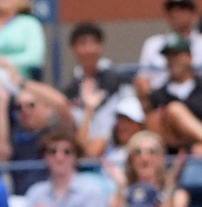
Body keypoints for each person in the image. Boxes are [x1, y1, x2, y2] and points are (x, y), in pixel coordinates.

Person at [59, 23, 146, 160]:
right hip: (85, 154)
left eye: (94, 43)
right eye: (83, 43)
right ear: (73, 49)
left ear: (101, 46)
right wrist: (89, 109)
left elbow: (133, 119)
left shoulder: (120, 81)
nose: (89, 49)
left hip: (119, 153)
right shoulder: (69, 91)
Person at [104, 130, 190, 207]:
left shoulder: (178, 196)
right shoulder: (119, 195)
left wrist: (169, 187)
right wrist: (121, 188)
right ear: (131, 159)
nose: (145, 158)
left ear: (161, 157)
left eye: (152, 152)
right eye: (138, 152)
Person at [0, 82, 74, 195]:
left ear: (48, 108)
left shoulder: (58, 132)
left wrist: (20, 82)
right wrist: (2, 103)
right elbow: (0, 151)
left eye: (31, 105)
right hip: (22, 200)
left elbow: (62, 104)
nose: (24, 111)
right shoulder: (15, 134)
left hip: (56, 198)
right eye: (19, 107)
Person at [138, 0, 202, 89]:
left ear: (194, 14)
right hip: (162, 99)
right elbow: (142, 78)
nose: (176, 14)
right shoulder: (153, 44)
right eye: (171, 10)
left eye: (182, 9)